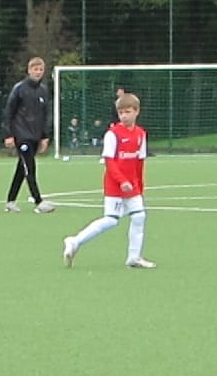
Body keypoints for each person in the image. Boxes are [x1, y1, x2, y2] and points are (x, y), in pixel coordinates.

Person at [62, 92, 155, 271]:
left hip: (133, 186)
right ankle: (75, 241)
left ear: (137, 111)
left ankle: (134, 257)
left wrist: (139, 187)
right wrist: (122, 181)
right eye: (121, 113)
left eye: (128, 112)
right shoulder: (113, 134)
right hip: (115, 185)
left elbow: (139, 162)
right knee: (111, 220)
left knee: (139, 216)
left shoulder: (141, 134)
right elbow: (109, 162)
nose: (124, 116)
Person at [3, 56, 55, 212]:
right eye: (35, 69)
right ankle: (39, 202)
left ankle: (10, 201)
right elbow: (9, 112)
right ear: (29, 70)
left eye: (41, 69)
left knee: (22, 168)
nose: (38, 72)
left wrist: (44, 137)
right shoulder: (19, 89)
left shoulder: (43, 90)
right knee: (30, 167)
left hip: (35, 136)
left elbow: (45, 115)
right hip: (21, 135)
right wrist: (8, 135)